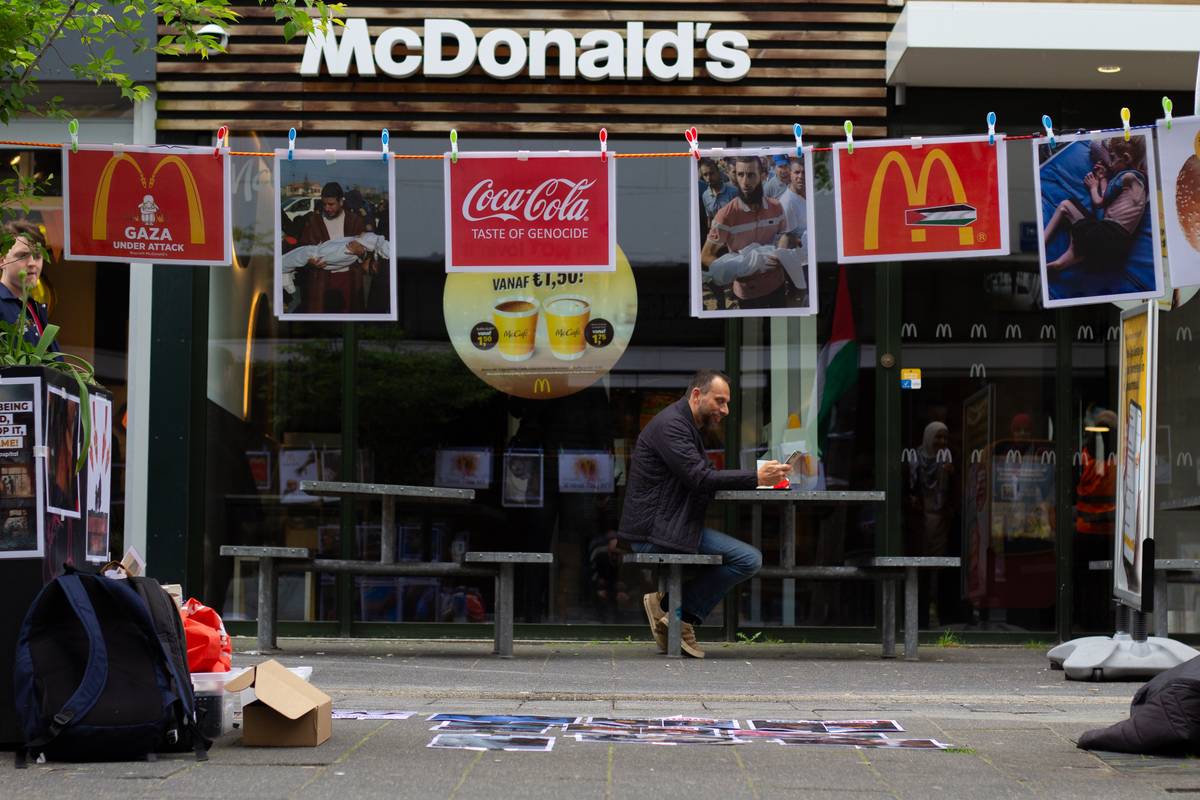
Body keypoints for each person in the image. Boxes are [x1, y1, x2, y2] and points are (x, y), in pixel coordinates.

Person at [617, 369, 789, 658]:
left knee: (743, 557)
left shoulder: (682, 424)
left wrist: (754, 478)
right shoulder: (672, 426)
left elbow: (701, 476)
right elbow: (701, 478)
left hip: (669, 526)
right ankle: (679, 616)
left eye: (727, 403)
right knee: (748, 559)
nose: (725, 410)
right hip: (655, 531)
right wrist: (756, 476)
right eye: (719, 401)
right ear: (697, 395)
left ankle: (668, 608)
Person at [701, 156, 804, 310]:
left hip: (777, 286)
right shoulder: (726, 215)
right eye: (740, 174)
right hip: (746, 295)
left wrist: (781, 253)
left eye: (751, 175)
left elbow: (786, 235)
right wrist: (734, 269)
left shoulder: (776, 207)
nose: (745, 182)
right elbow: (706, 255)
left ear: (762, 176)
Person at [1043, 137, 1148, 272]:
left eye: (1112, 158)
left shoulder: (1127, 177)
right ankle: (1062, 262)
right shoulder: (1141, 185)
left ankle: (1041, 243)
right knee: (1088, 241)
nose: (1110, 164)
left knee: (1066, 205)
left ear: (1126, 159)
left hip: (1107, 234)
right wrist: (1103, 178)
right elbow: (1108, 202)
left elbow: (1099, 202)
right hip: (1120, 249)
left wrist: (1094, 186)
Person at [294, 181, 368, 313]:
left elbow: (367, 251)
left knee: (348, 322)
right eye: (324, 204)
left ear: (341, 202)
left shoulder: (355, 221)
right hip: (321, 281)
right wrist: (310, 261)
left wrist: (362, 253)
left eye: (331, 204)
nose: (327, 208)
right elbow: (302, 249)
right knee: (325, 324)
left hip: (349, 279)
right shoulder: (313, 222)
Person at [0, 220, 58, 352]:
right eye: (23, 256)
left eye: (37, 255)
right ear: (2, 260)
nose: (32, 263)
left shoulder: (34, 307)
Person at [778, 157, 808, 241]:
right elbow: (788, 240)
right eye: (797, 172)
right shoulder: (786, 202)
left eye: (804, 172)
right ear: (790, 174)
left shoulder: (810, 194)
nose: (801, 176)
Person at [698, 157, 737, 223]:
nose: (709, 178)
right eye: (705, 175)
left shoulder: (733, 192)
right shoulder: (705, 195)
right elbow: (709, 217)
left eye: (711, 173)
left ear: (718, 172)